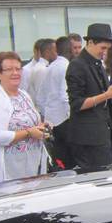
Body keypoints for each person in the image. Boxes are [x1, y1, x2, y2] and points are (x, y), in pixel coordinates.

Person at [65, 23, 112, 171]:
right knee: (94, 180)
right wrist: (108, 95)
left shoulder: (97, 64)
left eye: (107, 49)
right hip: (87, 139)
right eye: (103, 48)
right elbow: (77, 104)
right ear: (90, 42)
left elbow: (100, 101)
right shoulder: (77, 65)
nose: (105, 52)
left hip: (102, 134)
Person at [0, 51, 50, 183]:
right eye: (9, 69)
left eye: (18, 69)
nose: (15, 73)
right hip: (11, 166)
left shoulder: (23, 95)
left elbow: (30, 122)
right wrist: (29, 133)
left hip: (33, 161)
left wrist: (42, 127)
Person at [39, 36, 74, 169]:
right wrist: (71, 116)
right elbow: (64, 95)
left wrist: (46, 114)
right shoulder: (66, 66)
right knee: (68, 159)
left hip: (52, 119)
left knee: (58, 157)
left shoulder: (51, 67)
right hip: (64, 119)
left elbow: (40, 97)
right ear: (69, 49)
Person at [26, 38, 56, 109]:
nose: (57, 54)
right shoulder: (42, 69)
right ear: (47, 52)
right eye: (55, 51)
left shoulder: (43, 67)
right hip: (41, 111)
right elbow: (41, 96)